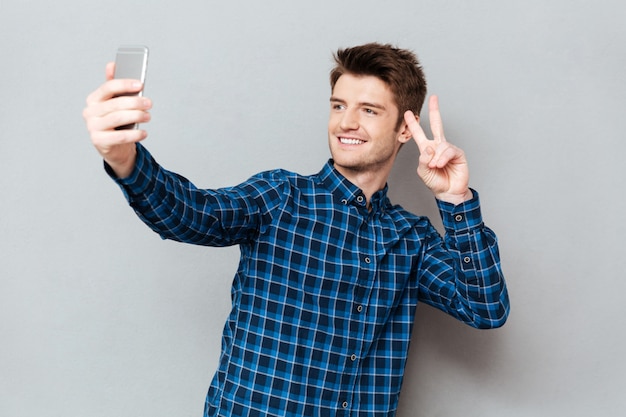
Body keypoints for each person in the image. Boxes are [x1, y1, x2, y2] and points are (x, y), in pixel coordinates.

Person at [83, 42, 509, 417]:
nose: (346, 122)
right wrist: (126, 159)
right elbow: (192, 213)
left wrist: (456, 201)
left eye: (369, 110)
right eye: (339, 105)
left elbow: (484, 308)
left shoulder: (411, 238)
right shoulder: (280, 196)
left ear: (404, 128)